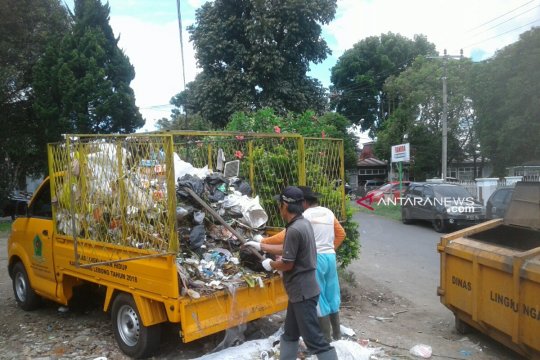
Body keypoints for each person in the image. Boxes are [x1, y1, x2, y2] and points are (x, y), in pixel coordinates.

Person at [247, 186, 345, 342]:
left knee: (320, 301)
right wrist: (329, 248)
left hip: (315, 260)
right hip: (330, 258)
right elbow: (341, 233)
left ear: (303, 202)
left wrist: (262, 241)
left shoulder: (303, 217)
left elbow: (285, 237)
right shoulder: (328, 212)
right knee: (332, 295)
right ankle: (338, 335)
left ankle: (325, 340)